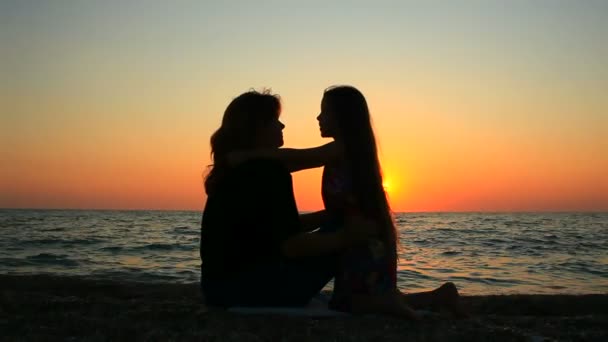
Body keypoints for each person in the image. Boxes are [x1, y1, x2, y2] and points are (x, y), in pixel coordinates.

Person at [228, 85, 465, 319]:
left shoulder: (344, 148)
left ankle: (419, 303)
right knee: (353, 301)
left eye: (325, 112)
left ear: (343, 116)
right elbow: (290, 163)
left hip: (363, 237)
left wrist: (248, 156)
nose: (318, 117)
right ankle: (438, 297)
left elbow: (297, 157)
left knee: (356, 303)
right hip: (352, 236)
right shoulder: (340, 151)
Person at [200, 89, 374, 308]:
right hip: (251, 291)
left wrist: (330, 216)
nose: (282, 126)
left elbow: (276, 230)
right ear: (257, 128)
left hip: (218, 291)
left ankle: (362, 296)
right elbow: (291, 246)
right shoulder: (268, 172)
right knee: (350, 228)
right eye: (275, 120)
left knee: (339, 223)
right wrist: (349, 236)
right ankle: (365, 297)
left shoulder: (241, 170)